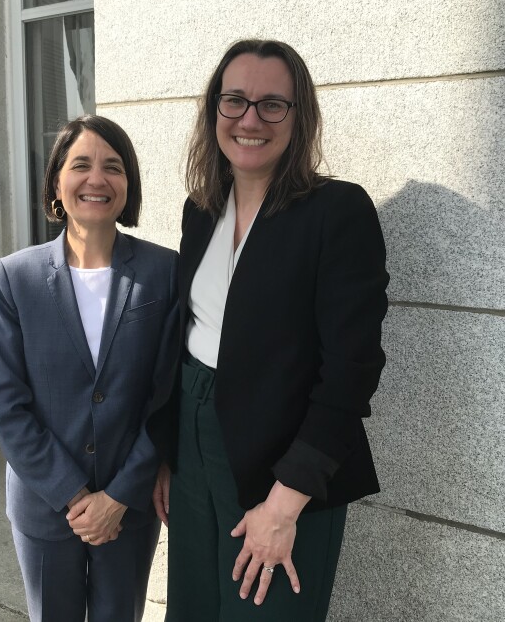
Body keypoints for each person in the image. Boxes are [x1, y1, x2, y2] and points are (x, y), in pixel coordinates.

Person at [149, 39, 389, 621]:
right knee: (194, 610)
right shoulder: (201, 209)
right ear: (214, 112)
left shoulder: (338, 212)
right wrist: (169, 455)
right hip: (193, 442)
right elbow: (189, 335)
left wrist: (284, 506)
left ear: (297, 116)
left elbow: (351, 372)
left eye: (271, 104)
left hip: (285, 465)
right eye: (234, 101)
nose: (250, 119)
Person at [0, 115, 178, 622]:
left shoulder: (165, 271)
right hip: (46, 507)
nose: (97, 179)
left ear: (128, 184)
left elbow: (168, 395)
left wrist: (116, 497)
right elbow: (7, 402)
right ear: (56, 182)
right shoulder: (14, 277)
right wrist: (75, 495)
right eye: (81, 165)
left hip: (129, 507)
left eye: (113, 167)